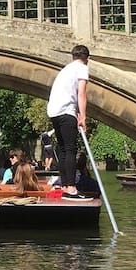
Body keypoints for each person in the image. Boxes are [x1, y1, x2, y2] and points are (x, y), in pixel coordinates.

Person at [46, 44, 90, 200]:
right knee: (71, 149)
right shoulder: (82, 68)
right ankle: (71, 188)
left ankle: (65, 185)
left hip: (54, 112)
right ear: (87, 59)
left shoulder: (65, 70)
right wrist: (83, 117)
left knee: (63, 149)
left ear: (72, 57)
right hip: (66, 111)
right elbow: (82, 93)